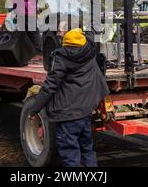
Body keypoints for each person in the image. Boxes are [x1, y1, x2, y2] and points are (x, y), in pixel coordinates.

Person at [29, 28, 109, 167]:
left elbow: (49, 86)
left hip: (68, 113)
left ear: (65, 41)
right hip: (85, 110)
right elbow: (90, 33)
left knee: (70, 154)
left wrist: (34, 110)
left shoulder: (61, 57)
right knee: (87, 149)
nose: (59, 33)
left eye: (61, 32)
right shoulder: (90, 49)